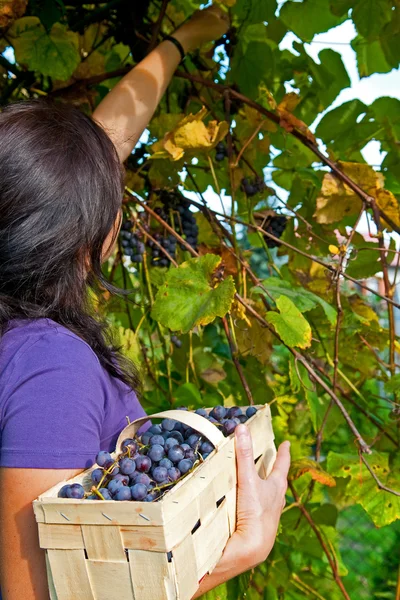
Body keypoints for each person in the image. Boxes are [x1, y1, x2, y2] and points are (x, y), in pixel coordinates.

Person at [0, 6, 291, 599]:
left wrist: (185, 39)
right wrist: (235, 555)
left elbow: (106, 141)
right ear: (87, 227)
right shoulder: (50, 367)